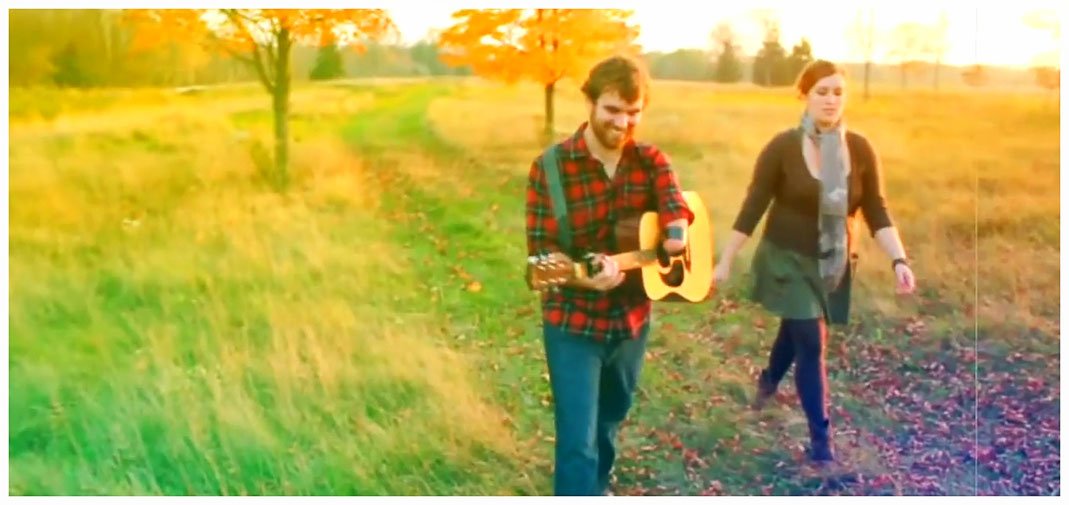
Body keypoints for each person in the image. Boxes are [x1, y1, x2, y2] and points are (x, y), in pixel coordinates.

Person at [713, 60, 916, 463]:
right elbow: (754, 204)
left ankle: (768, 381)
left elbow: (875, 208)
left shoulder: (859, 149)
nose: (830, 100)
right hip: (785, 259)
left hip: (832, 262)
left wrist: (899, 260)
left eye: (838, 92)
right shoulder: (783, 147)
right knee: (810, 339)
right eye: (822, 91)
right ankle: (821, 445)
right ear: (804, 95)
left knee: (795, 330)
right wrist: (726, 260)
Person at [525, 54, 694, 495]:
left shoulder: (650, 159)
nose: (623, 123)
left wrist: (675, 233)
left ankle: (597, 489)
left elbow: (677, 204)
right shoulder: (550, 169)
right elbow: (540, 256)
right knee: (577, 441)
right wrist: (584, 277)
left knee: (609, 423)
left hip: (631, 322)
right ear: (590, 103)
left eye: (633, 113)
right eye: (613, 110)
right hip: (572, 323)